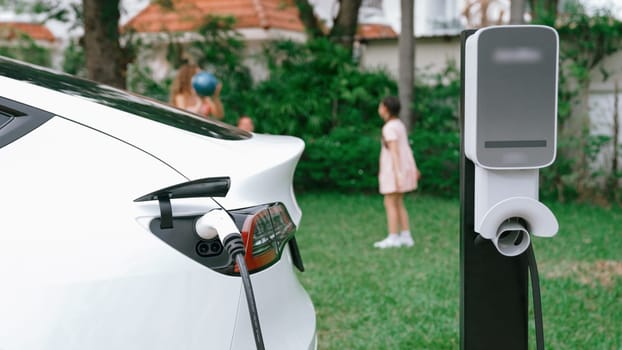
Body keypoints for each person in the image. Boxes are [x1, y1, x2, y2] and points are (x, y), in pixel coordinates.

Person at [374, 96, 420, 249]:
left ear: (386, 109)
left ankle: (393, 237)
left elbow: (395, 153)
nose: (379, 109)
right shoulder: (399, 125)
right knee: (398, 202)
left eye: (381, 106)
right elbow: (406, 149)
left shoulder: (389, 128)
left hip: (393, 171)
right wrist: (412, 169)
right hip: (401, 169)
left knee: (390, 202)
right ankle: (406, 236)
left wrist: (398, 174)